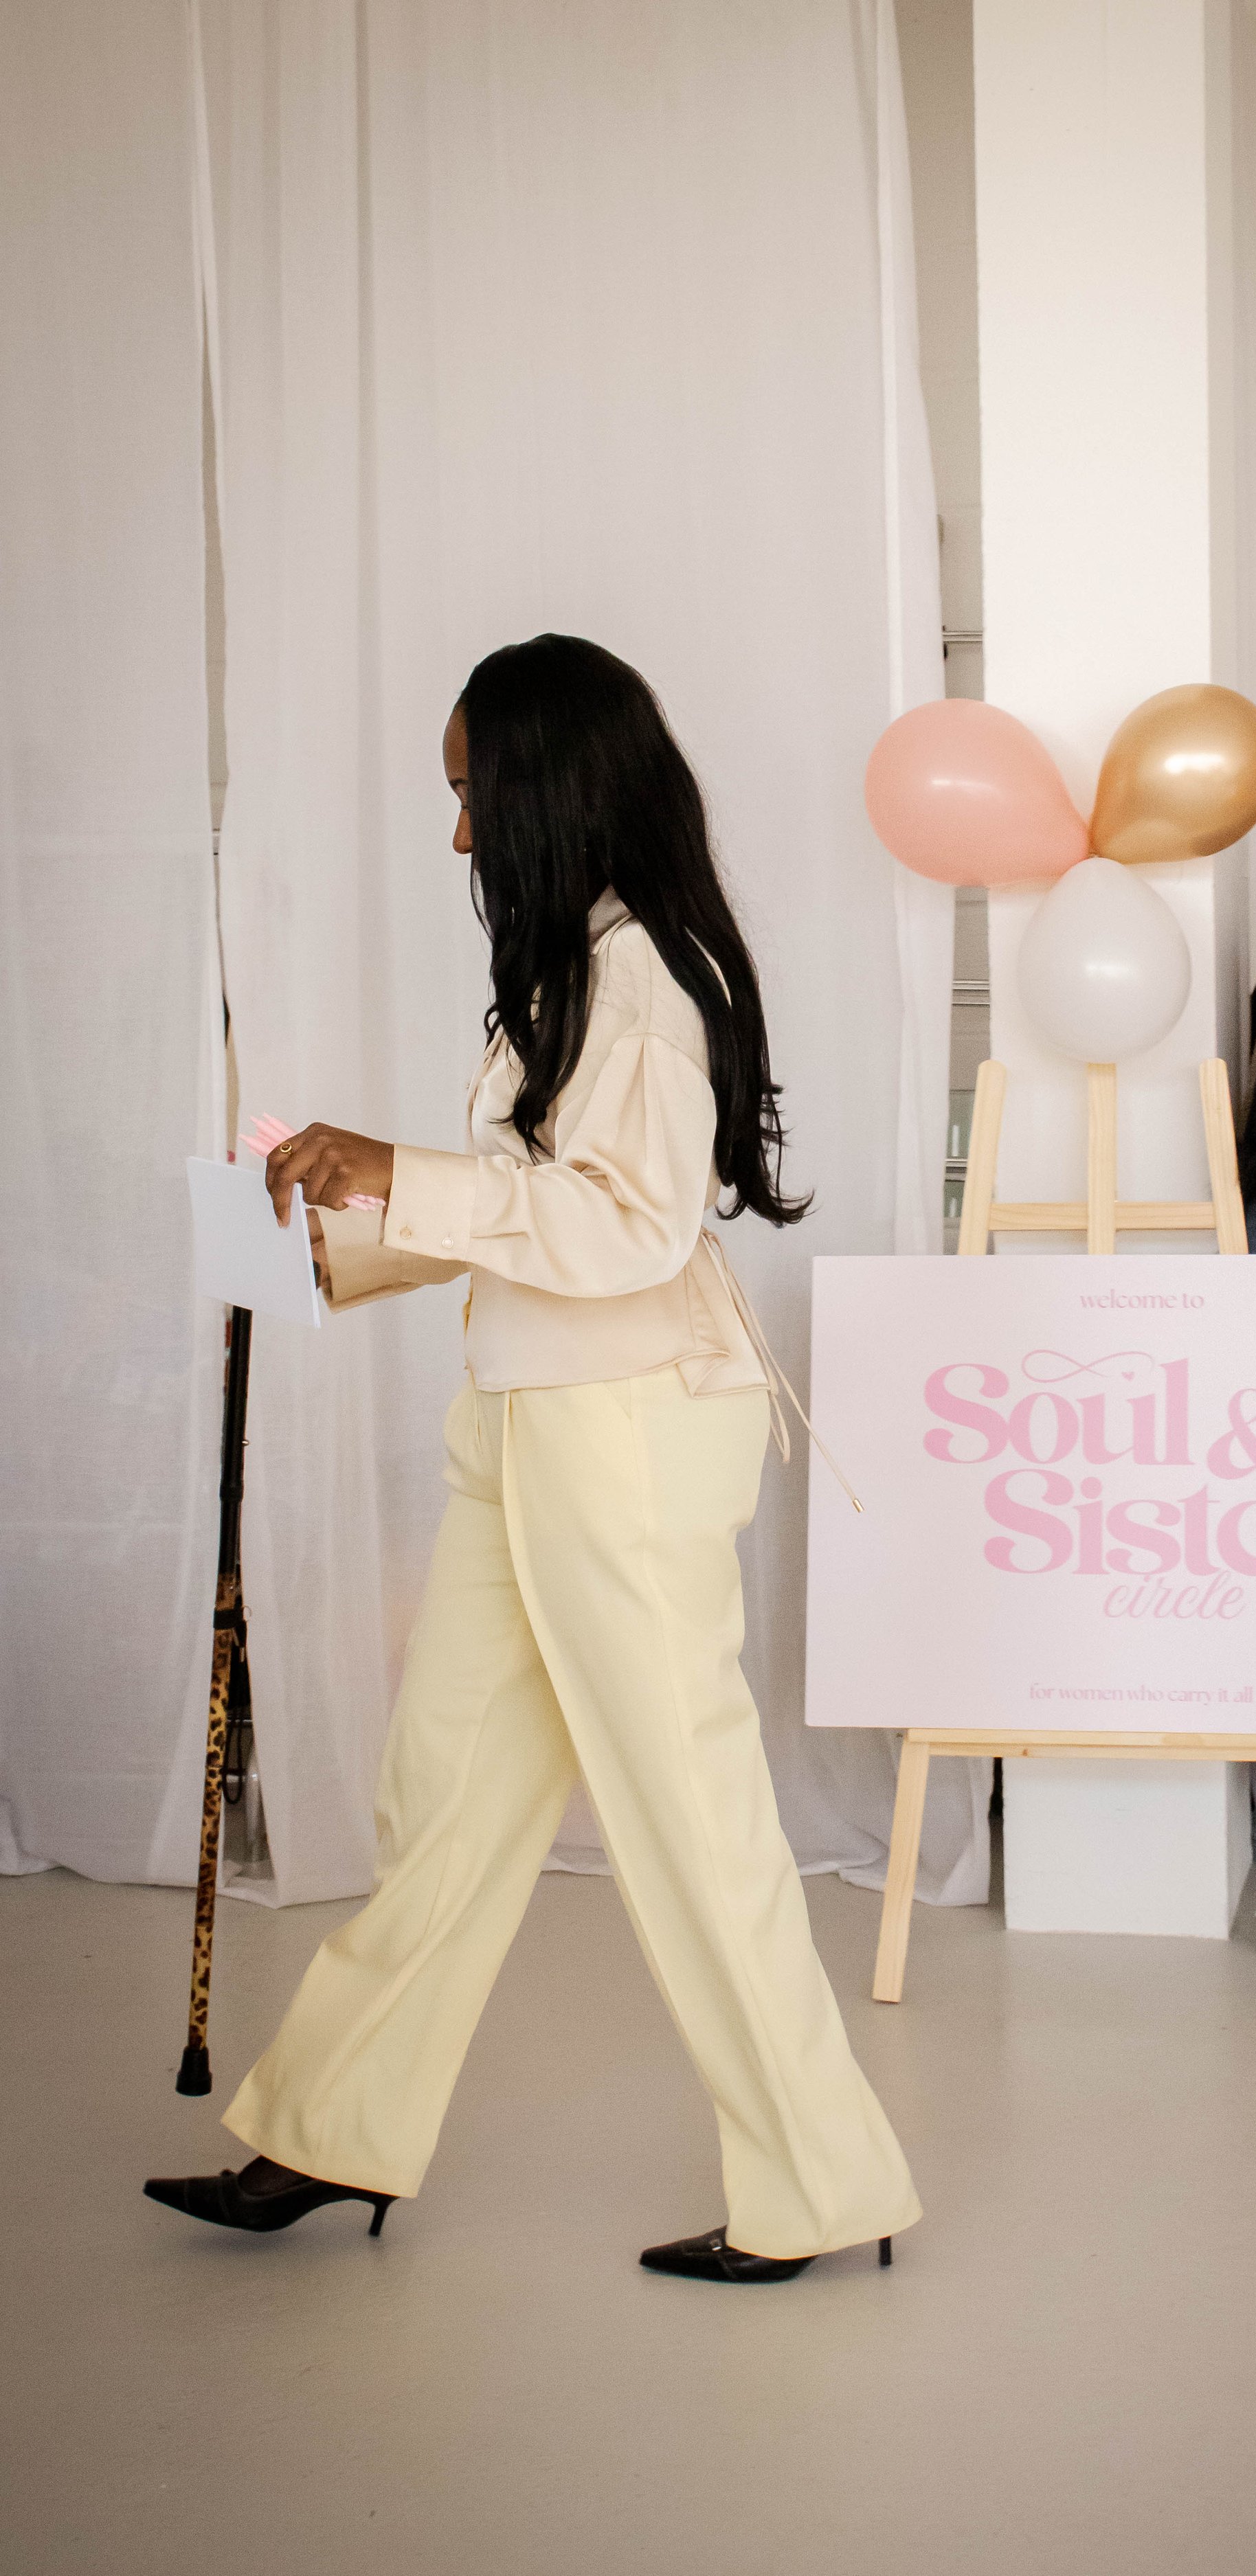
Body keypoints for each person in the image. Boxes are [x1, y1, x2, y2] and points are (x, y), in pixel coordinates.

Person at [145, 634, 919, 2283]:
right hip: (528, 1422)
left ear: (545, 786)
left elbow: (622, 1226)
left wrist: (401, 1174)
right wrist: (315, 1249)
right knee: (444, 1802)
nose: (455, 839)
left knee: (688, 1821)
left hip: (625, 1436)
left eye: (466, 796)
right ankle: (326, 2129)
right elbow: (519, 1219)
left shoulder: (638, 979)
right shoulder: (574, 968)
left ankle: (818, 2183)